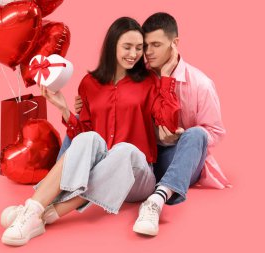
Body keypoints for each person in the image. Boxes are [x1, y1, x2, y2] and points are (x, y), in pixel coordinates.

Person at [0, 16, 180, 246]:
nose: (134, 54)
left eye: (139, 48)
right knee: (89, 138)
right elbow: (81, 135)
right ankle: (32, 212)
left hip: (138, 176)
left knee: (125, 150)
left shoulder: (150, 82)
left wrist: (166, 76)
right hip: (102, 168)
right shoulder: (89, 83)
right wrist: (63, 108)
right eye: (127, 47)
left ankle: (50, 211)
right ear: (112, 46)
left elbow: (170, 122)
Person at [74, 12, 231, 236]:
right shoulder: (139, 75)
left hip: (178, 158)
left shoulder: (201, 84)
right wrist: (87, 102)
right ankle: (53, 187)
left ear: (174, 44)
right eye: (145, 45)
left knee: (196, 135)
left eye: (155, 45)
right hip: (144, 158)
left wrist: (180, 136)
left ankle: (157, 200)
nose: (147, 52)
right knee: (81, 123)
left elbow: (214, 132)